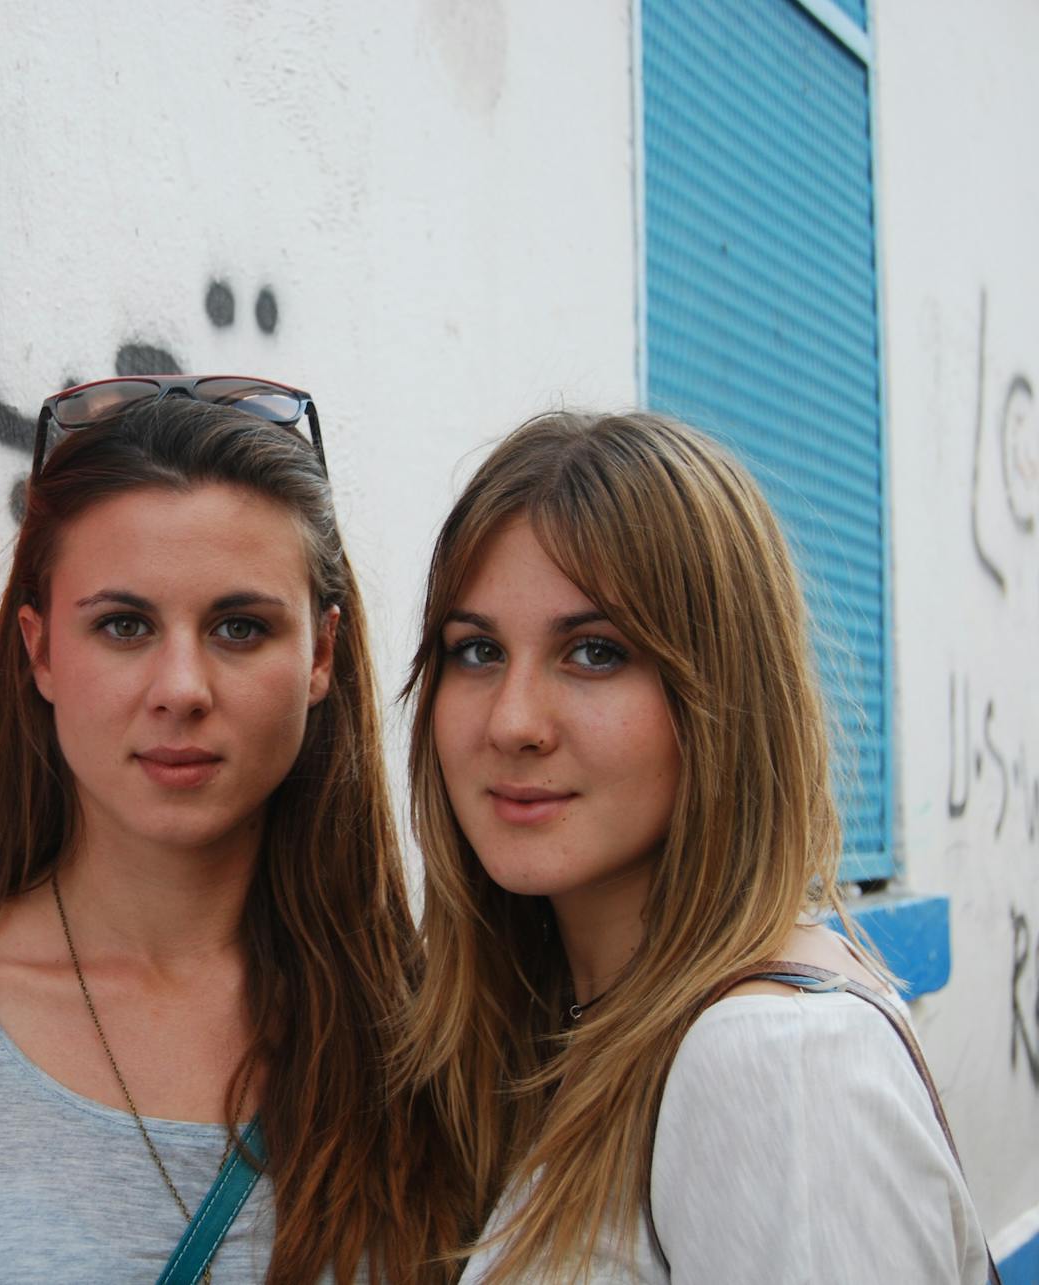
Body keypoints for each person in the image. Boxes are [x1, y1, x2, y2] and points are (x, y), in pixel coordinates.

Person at [0, 378, 440, 1283]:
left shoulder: (430, 1043)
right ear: (39, 651)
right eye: (123, 625)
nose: (182, 687)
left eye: (239, 626)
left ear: (320, 655)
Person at [397, 409, 994, 1283]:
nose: (512, 720)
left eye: (594, 652)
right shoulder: (561, 1018)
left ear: (722, 694)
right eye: (478, 649)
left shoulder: (777, 1064)